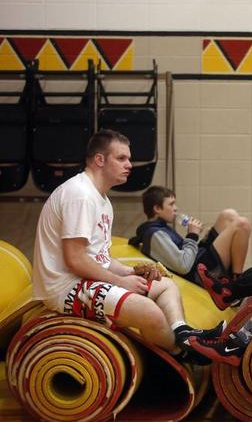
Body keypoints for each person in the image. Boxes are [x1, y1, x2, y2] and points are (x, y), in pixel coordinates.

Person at [31, 129, 216, 364]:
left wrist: (131, 272)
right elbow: (75, 259)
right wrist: (119, 281)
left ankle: (183, 334)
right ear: (100, 160)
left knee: (166, 286)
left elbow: (101, 259)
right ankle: (183, 353)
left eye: (128, 158)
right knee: (150, 312)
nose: (129, 164)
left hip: (85, 280)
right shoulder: (80, 195)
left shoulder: (102, 200)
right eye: (121, 158)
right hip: (66, 288)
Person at [129, 185, 252, 285]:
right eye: (171, 204)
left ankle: (235, 276)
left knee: (228, 215)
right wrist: (192, 236)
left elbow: (186, 252)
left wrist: (203, 239)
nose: (176, 208)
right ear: (157, 209)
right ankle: (237, 283)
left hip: (199, 261)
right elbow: (183, 266)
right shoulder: (154, 234)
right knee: (242, 224)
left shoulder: (161, 228)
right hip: (198, 273)